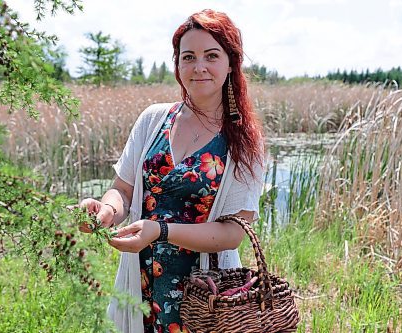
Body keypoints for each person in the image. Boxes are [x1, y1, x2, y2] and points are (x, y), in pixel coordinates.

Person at [78, 9, 264, 333]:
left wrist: (161, 231)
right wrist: (106, 209)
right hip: (142, 284)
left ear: (231, 63)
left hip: (205, 295)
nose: (199, 67)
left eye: (211, 55)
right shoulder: (153, 120)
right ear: (177, 64)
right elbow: (123, 189)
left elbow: (233, 234)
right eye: (188, 56)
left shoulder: (243, 140)